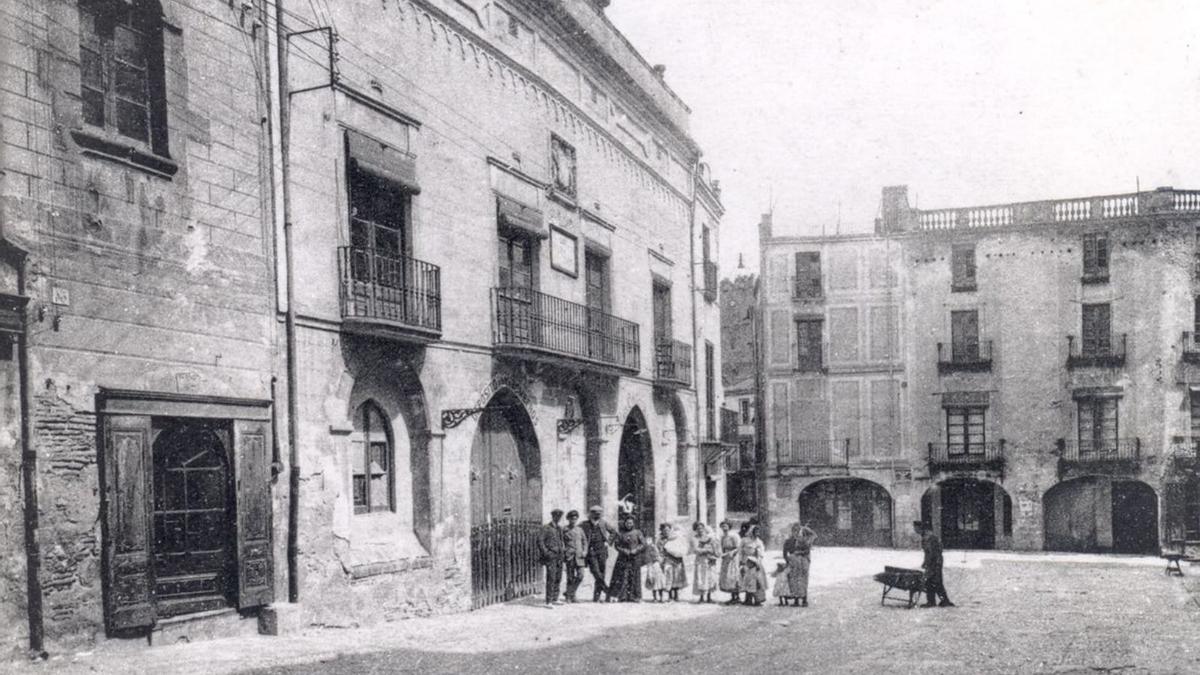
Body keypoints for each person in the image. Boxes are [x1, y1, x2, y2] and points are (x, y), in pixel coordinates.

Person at [580, 505, 616, 602]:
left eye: (599, 513)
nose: (597, 515)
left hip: (602, 551)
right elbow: (577, 532)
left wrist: (608, 542)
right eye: (595, 513)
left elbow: (614, 532)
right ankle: (608, 592)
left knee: (602, 573)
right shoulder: (584, 524)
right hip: (591, 551)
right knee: (596, 572)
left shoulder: (603, 523)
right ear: (591, 514)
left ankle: (597, 597)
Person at [915, 520, 955, 608]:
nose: (915, 530)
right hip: (934, 561)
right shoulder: (926, 536)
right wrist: (925, 562)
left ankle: (943, 601)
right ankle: (933, 601)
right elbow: (928, 553)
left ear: (921, 528)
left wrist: (928, 563)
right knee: (930, 581)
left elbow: (932, 553)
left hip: (935, 562)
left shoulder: (929, 538)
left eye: (916, 528)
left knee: (936, 581)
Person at [608, 515, 645, 602]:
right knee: (623, 576)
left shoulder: (638, 533)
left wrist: (636, 550)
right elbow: (616, 545)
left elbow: (643, 544)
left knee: (635, 576)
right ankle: (622, 596)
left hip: (635, 558)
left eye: (631, 523)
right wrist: (624, 551)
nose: (629, 524)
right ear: (625, 523)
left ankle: (635, 597)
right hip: (623, 558)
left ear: (633, 523)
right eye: (627, 523)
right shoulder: (621, 533)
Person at [782, 523, 816, 607]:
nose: (796, 533)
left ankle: (804, 599)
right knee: (794, 581)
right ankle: (796, 600)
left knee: (803, 580)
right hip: (794, 563)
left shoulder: (804, 540)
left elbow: (807, 551)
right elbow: (785, 552)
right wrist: (788, 560)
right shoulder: (790, 541)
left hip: (803, 562)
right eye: (794, 531)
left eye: (797, 531)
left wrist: (799, 553)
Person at [538, 509, 567, 608]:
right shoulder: (546, 528)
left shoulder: (559, 528)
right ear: (553, 516)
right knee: (551, 578)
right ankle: (548, 601)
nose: (558, 518)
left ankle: (555, 598)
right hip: (551, 556)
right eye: (556, 516)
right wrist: (546, 553)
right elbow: (540, 541)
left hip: (559, 556)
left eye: (559, 517)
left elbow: (562, 541)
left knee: (558, 577)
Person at [738, 524, 768, 607]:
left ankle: (758, 599)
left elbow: (761, 553)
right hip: (746, 562)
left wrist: (757, 561)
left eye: (758, 531)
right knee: (747, 580)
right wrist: (741, 561)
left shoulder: (759, 542)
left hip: (755, 563)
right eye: (755, 531)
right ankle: (748, 599)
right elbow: (740, 551)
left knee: (757, 581)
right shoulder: (744, 540)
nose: (757, 533)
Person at [562, 510, 588, 603]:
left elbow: (585, 542)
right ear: (568, 519)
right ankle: (570, 597)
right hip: (570, 556)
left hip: (579, 556)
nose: (573, 520)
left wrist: (585, 551)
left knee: (581, 575)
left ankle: (569, 593)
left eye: (575, 519)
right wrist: (564, 551)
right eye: (571, 519)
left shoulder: (580, 530)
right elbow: (561, 543)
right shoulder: (564, 530)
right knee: (570, 577)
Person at [659, 523, 688, 602]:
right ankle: (670, 596)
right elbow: (660, 551)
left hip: (677, 560)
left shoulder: (675, 537)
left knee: (677, 577)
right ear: (662, 531)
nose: (666, 532)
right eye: (664, 530)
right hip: (668, 560)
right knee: (669, 577)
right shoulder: (661, 540)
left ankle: (676, 595)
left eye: (668, 530)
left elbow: (681, 547)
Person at [691, 522, 719, 603]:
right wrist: (707, 550)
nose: (700, 530)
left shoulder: (709, 537)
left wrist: (711, 551)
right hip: (700, 560)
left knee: (710, 577)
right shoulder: (694, 539)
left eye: (701, 528)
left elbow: (714, 548)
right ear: (695, 530)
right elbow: (696, 550)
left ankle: (709, 597)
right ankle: (701, 597)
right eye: (698, 529)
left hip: (709, 560)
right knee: (701, 577)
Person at [718, 520, 742, 605]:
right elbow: (722, 547)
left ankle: (737, 596)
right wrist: (723, 554)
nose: (724, 528)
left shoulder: (734, 535)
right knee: (727, 576)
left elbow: (738, 547)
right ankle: (732, 597)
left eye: (725, 526)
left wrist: (732, 553)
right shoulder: (723, 537)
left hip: (733, 557)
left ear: (729, 526)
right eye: (722, 526)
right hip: (726, 558)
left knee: (734, 575)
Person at [644, 531, 667, 602]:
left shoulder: (655, 547)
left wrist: (658, 559)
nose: (648, 541)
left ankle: (661, 597)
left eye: (650, 540)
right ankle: (654, 597)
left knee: (659, 580)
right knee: (651, 579)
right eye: (647, 540)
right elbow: (646, 557)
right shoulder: (646, 548)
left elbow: (658, 555)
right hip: (650, 565)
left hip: (656, 564)